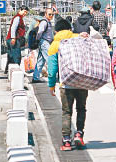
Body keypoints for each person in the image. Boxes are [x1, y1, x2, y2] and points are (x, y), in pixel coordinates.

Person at [47, 19, 87, 151]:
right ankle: (79, 134)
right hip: (81, 81)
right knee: (81, 109)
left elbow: (52, 70)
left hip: (66, 84)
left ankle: (67, 141)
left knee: (66, 112)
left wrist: (51, 85)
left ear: (56, 31)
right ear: (70, 29)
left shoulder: (55, 45)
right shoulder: (79, 38)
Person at [5, 6, 29, 74]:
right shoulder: (18, 17)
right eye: (24, 11)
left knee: (11, 56)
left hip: (9, 39)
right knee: (17, 56)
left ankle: (7, 71)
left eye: (26, 12)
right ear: (20, 10)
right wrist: (13, 38)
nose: (25, 13)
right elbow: (13, 28)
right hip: (14, 39)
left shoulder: (18, 17)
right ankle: (16, 73)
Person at [32, 8, 54, 83]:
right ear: (45, 14)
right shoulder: (44, 22)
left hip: (45, 42)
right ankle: (52, 77)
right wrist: (38, 40)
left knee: (40, 61)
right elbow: (40, 32)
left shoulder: (48, 22)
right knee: (50, 59)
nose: (51, 16)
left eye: (52, 14)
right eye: (49, 14)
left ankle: (35, 77)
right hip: (44, 42)